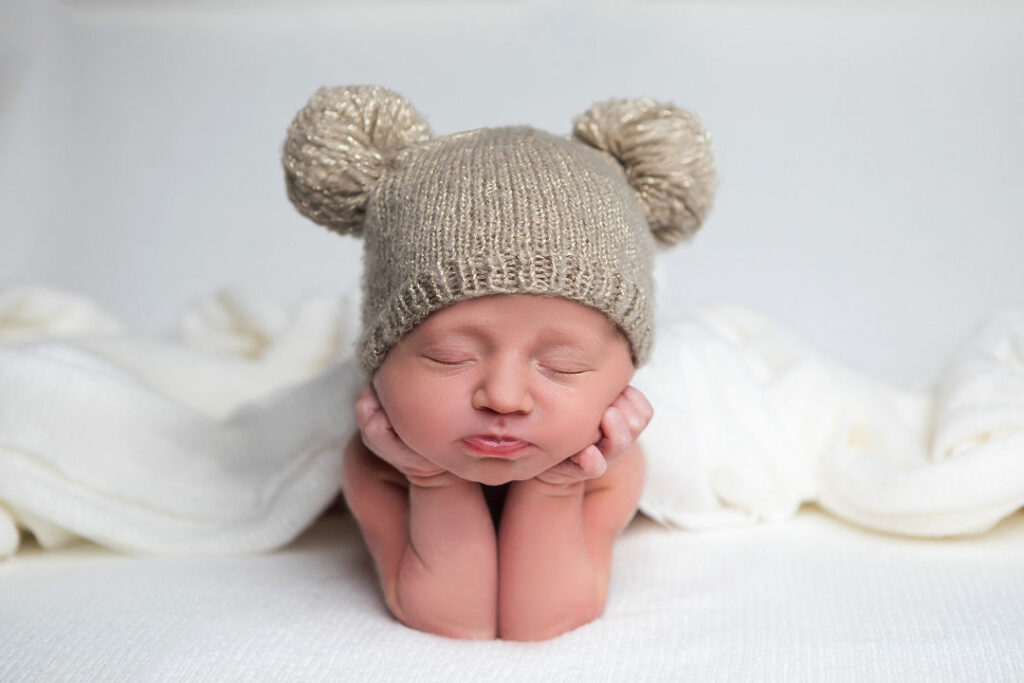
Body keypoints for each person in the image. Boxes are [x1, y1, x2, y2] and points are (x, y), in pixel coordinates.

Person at [281, 85, 715, 640]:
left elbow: (542, 621)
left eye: (563, 365)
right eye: (450, 356)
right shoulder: (378, 464)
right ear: (379, 358)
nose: (505, 398)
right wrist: (429, 480)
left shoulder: (611, 466)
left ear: (626, 377)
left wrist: (556, 488)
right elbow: (452, 620)